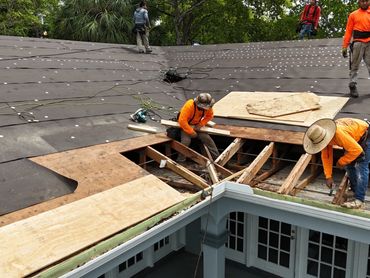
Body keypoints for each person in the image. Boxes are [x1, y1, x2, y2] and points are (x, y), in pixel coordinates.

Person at [303, 118, 370, 209]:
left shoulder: (338, 134)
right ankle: (354, 190)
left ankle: (359, 200)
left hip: (365, 135)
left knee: (361, 166)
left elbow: (357, 150)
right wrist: (328, 176)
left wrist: (341, 162)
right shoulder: (322, 137)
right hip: (353, 137)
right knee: (349, 165)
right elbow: (326, 156)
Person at [177, 93, 220, 162]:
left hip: (196, 124)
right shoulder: (189, 105)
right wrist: (191, 132)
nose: (206, 109)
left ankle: (217, 159)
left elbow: (210, 116)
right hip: (186, 125)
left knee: (208, 139)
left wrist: (200, 124)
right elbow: (182, 121)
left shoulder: (208, 106)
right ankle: (180, 160)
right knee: (186, 141)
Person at [342, 0, 370, 98]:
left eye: (366, 1)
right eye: (362, 1)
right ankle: (352, 85)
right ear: (359, 2)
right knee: (354, 65)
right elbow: (348, 31)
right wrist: (345, 46)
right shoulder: (353, 15)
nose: (364, 3)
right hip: (358, 42)